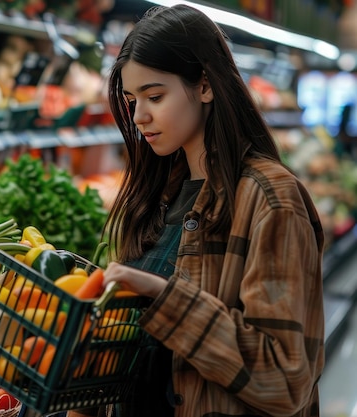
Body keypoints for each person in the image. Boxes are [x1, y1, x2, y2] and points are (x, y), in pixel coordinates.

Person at [68, 4, 325, 417]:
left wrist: (162, 295)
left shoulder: (272, 199)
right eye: (133, 100)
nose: (140, 116)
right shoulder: (155, 195)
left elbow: (285, 380)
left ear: (204, 86)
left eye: (155, 96)